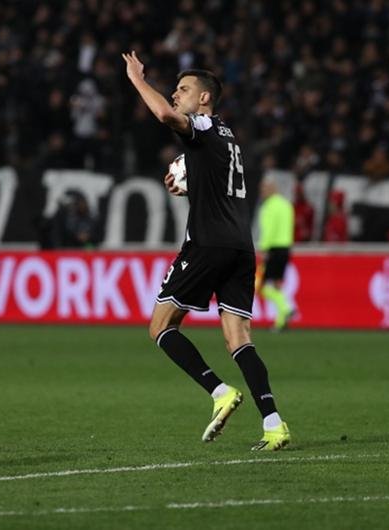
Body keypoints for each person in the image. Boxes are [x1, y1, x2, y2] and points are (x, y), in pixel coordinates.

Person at [122, 51, 290, 450]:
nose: (175, 95)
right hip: (240, 247)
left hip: (206, 243)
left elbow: (165, 116)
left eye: (182, 89)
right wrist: (189, 183)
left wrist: (137, 80)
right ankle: (274, 424)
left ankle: (220, 392)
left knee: (161, 327)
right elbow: (216, 183)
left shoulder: (200, 125)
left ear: (204, 98)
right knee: (239, 339)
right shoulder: (228, 139)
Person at [257, 177, 295, 332]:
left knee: (263, 287)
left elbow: (269, 229)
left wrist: (264, 248)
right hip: (286, 248)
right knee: (278, 285)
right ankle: (281, 322)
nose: (262, 192)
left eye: (264, 189)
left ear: (271, 189)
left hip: (273, 248)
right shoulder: (286, 205)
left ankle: (287, 308)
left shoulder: (268, 206)